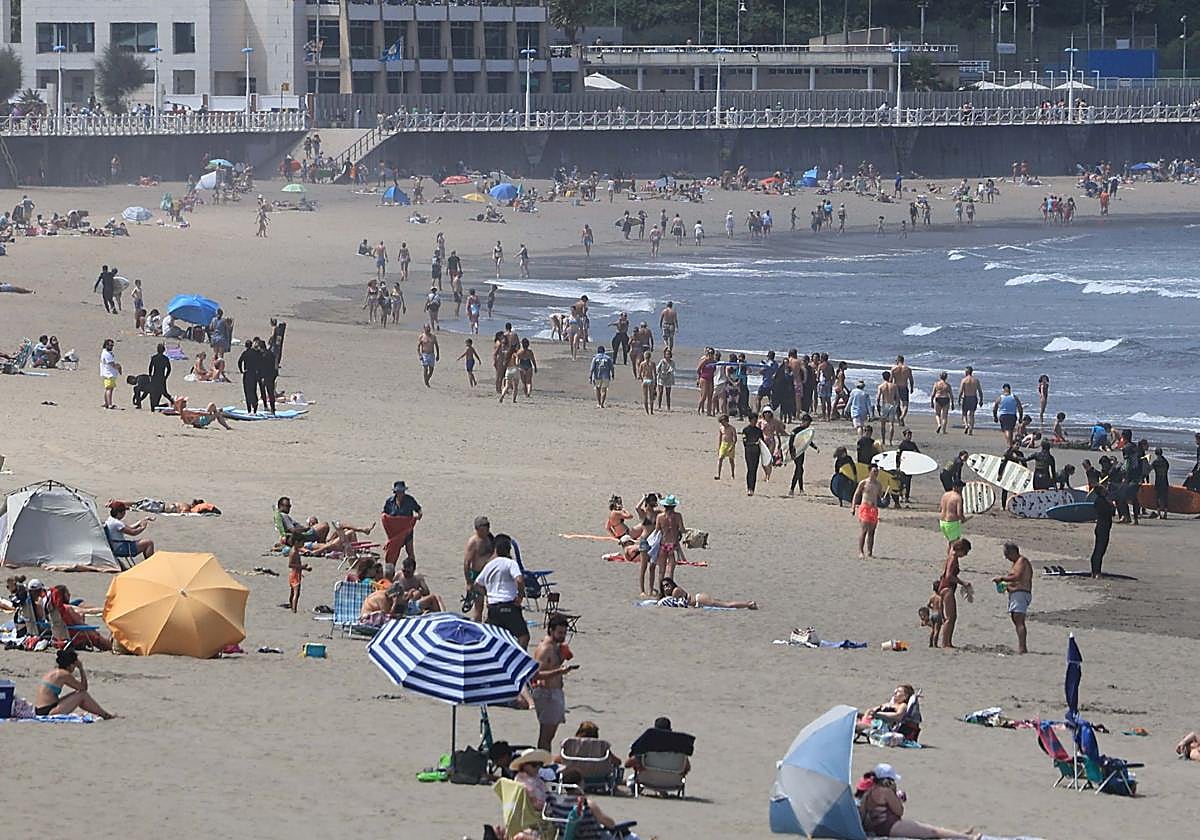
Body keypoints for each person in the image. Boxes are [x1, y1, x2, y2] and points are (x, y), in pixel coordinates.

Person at [858, 763, 979, 839]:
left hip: (879, 827)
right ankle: (967, 838)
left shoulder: (870, 790)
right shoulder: (886, 792)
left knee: (928, 831)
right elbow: (899, 811)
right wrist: (898, 798)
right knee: (931, 831)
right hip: (890, 826)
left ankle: (959, 835)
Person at [532, 614, 579, 751]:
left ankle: (543, 763)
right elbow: (535, 675)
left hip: (554, 693)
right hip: (547, 694)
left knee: (549, 736)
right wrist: (560, 671)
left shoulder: (556, 647)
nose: (563, 636)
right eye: (559, 633)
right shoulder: (545, 649)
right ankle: (543, 765)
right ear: (551, 631)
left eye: (564, 633)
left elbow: (551, 666)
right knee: (546, 736)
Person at [474, 532, 529, 648]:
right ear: (508, 549)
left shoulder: (489, 565)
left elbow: (477, 584)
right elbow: (519, 580)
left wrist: (488, 594)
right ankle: (519, 660)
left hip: (493, 608)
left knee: (496, 639)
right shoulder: (510, 563)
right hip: (509, 606)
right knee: (523, 636)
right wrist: (520, 596)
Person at [33, 649, 114, 719]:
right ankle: (104, 715)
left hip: (40, 709)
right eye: (74, 666)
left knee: (78, 694)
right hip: (48, 711)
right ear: (70, 665)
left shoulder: (54, 672)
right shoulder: (64, 674)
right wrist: (81, 669)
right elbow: (83, 688)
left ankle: (103, 714)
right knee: (82, 694)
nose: (74, 668)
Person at [993, 541, 1032, 654]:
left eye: (1007, 555)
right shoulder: (1016, 563)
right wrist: (1003, 586)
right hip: (1016, 594)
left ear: (1013, 552)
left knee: (1019, 620)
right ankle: (1021, 646)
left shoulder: (1022, 561)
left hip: (1021, 594)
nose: (1006, 558)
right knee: (1016, 619)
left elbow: (1017, 576)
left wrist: (1002, 578)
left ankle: (1022, 648)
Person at [938, 538, 973, 648]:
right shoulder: (953, 558)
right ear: (960, 549)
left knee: (951, 617)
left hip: (945, 587)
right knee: (951, 617)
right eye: (965, 552)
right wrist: (963, 583)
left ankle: (948, 642)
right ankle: (946, 643)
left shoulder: (951, 555)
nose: (965, 555)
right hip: (947, 587)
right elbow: (949, 576)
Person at [382, 481, 422, 568]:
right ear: (395, 492)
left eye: (402, 491)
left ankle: (412, 570)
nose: (401, 493)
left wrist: (418, 516)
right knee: (392, 553)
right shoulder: (390, 502)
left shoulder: (410, 500)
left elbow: (418, 509)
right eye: (399, 491)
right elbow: (384, 515)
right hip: (394, 533)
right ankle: (390, 572)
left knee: (410, 551)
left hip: (407, 531)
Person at [463, 515, 495, 620]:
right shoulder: (473, 542)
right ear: (477, 529)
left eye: (487, 527)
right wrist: (468, 582)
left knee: (492, 604)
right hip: (477, 575)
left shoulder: (490, 538)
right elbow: (467, 563)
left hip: (490, 576)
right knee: (479, 606)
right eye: (484, 528)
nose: (486, 530)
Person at [657, 577, 757, 609]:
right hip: (698, 600)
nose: (667, 587)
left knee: (727, 605)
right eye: (664, 586)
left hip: (699, 599)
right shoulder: (670, 595)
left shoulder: (676, 591)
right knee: (723, 603)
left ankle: (749, 604)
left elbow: (680, 605)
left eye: (668, 584)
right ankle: (748, 603)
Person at [852, 464, 883, 559]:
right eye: (874, 471)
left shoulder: (878, 484)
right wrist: (853, 507)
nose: (876, 473)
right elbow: (856, 494)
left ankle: (870, 552)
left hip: (874, 509)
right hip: (865, 507)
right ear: (869, 472)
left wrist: (883, 498)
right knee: (864, 530)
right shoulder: (864, 483)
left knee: (872, 531)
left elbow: (880, 496)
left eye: (877, 472)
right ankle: (861, 551)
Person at [654, 495, 684, 584]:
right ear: (674, 506)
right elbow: (682, 529)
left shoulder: (660, 516)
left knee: (661, 571)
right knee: (670, 571)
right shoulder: (678, 516)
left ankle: (661, 590)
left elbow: (657, 529)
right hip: (673, 545)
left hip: (663, 544)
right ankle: (669, 589)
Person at [787, 413, 818, 496]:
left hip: (801, 452)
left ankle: (800, 489)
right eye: (808, 423)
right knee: (799, 469)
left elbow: (808, 441)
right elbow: (791, 441)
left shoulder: (806, 431)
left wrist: (815, 447)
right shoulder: (796, 430)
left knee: (800, 469)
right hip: (795, 452)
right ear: (804, 421)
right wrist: (791, 452)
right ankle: (793, 489)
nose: (808, 425)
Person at [1090, 483, 1115, 578]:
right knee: (1099, 550)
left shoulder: (1104, 500)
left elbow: (1112, 513)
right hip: (1102, 527)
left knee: (1101, 550)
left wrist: (1111, 504)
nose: (1106, 490)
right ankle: (1096, 572)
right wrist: (1110, 505)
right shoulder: (1100, 501)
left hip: (1105, 527)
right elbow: (1106, 512)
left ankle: (1096, 571)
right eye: (1104, 489)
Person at [287, 535, 311, 613]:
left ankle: (291, 606)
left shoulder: (295, 550)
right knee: (296, 593)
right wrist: (303, 567)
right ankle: (294, 609)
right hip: (295, 574)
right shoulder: (293, 552)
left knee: (292, 592)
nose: (303, 544)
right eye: (302, 542)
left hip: (295, 573)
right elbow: (290, 565)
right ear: (297, 542)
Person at [742, 411, 764, 496]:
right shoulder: (746, 430)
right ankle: (749, 488)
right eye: (753, 420)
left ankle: (753, 488)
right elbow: (745, 442)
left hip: (756, 452)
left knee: (754, 470)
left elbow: (762, 442)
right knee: (750, 469)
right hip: (749, 451)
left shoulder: (759, 431)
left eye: (756, 420)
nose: (754, 422)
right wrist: (754, 443)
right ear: (750, 420)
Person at [147, 343, 172, 410]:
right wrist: (166, 377)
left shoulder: (154, 358)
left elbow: (150, 367)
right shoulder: (165, 359)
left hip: (155, 377)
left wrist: (150, 376)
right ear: (164, 350)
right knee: (163, 392)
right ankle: (172, 402)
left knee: (153, 393)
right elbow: (169, 369)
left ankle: (153, 407)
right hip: (161, 377)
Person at [958, 366, 983, 434]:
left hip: (966, 398)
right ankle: (971, 429)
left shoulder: (964, 380)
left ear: (967, 372)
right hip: (973, 398)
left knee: (964, 413)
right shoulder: (976, 380)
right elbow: (980, 391)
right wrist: (981, 400)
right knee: (972, 414)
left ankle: (966, 425)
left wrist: (959, 399)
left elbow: (961, 391)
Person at [921, 583, 945, 647]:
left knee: (932, 630)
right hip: (938, 614)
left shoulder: (932, 597)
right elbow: (940, 608)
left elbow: (928, 605)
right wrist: (943, 617)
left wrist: (933, 608)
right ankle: (935, 644)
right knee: (937, 630)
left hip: (933, 614)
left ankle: (930, 643)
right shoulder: (940, 598)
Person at [99, 338, 121, 409]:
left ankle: (106, 403)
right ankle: (109, 404)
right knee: (109, 389)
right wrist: (119, 367)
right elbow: (112, 364)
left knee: (108, 389)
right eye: (110, 345)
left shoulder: (106, 352)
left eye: (112, 345)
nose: (111, 347)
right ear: (106, 345)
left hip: (108, 373)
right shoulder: (106, 354)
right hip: (109, 374)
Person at [1150, 447, 1170, 519]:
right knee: (1165, 497)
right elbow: (1167, 469)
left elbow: (1149, 469)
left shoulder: (1155, 462)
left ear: (1156, 454)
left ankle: (1159, 514)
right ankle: (1165, 514)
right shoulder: (1165, 461)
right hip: (1165, 481)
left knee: (1158, 497)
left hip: (1158, 481)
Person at [715, 414, 737, 480]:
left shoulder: (732, 428)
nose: (722, 424)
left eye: (723, 422)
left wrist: (732, 446)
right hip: (723, 444)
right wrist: (719, 447)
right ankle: (718, 474)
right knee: (720, 458)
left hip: (730, 444)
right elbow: (720, 437)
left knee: (731, 460)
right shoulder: (721, 428)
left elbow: (735, 439)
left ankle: (732, 474)